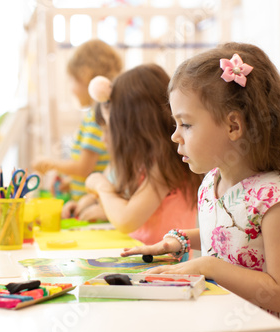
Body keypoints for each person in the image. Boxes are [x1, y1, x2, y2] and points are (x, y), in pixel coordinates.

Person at [122, 43, 280, 331]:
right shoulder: (212, 182)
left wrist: (208, 266)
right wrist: (181, 240)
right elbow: (231, 233)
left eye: (185, 124)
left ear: (233, 126)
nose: (175, 136)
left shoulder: (276, 199)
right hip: (227, 315)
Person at [64, 65, 202, 245]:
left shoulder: (163, 167)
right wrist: (89, 203)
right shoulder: (140, 163)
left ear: (134, 128)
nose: (104, 139)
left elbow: (126, 220)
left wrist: (100, 186)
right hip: (143, 262)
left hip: (165, 268)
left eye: (109, 128)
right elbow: (119, 196)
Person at [32, 39, 122, 201]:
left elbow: (84, 168)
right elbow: (92, 168)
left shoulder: (97, 118)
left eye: (72, 80)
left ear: (85, 75)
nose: (71, 88)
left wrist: (52, 164)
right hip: (87, 201)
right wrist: (71, 182)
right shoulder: (97, 114)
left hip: (93, 204)